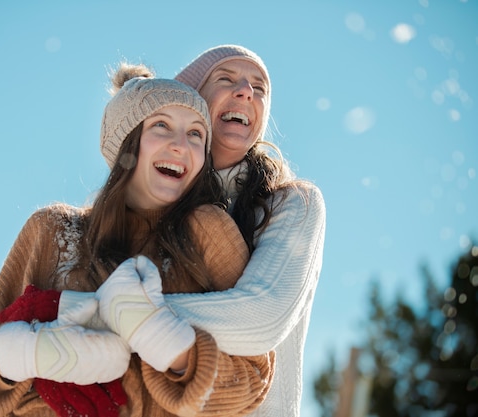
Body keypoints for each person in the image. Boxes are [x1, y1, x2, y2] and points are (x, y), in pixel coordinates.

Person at [0, 63, 274, 417]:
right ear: (125, 144)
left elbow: (254, 373)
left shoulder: (209, 231)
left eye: (196, 134)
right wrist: (24, 353)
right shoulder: (53, 231)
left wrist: (164, 341)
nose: (181, 145)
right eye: (161, 126)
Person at [62, 44, 326, 416]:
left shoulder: (292, 204)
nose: (247, 92)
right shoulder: (142, 210)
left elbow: (261, 319)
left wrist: (96, 316)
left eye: (259, 88)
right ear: (191, 101)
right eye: (226, 79)